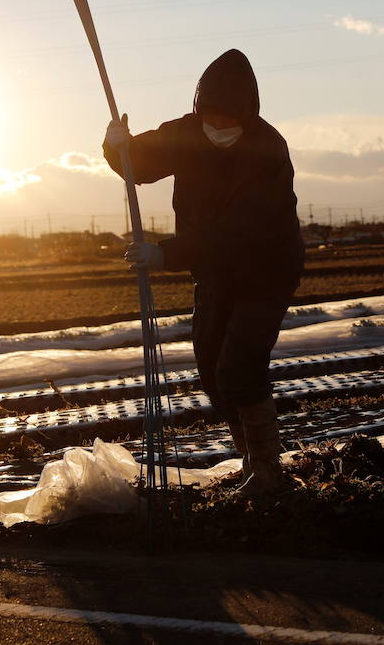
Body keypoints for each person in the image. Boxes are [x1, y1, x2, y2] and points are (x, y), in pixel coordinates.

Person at [103, 48, 305, 494]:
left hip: (265, 270)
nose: (218, 128)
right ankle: (251, 462)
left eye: (229, 120)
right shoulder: (186, 133)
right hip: (214, 272)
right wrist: (117, 146)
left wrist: (167, 255)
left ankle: (269, 470)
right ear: (199, 111)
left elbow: (238, 233)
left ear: (247, 115)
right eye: (211, 117)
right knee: (212, 373)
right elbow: (138, 164)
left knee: (239, 367)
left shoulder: (267, 151)